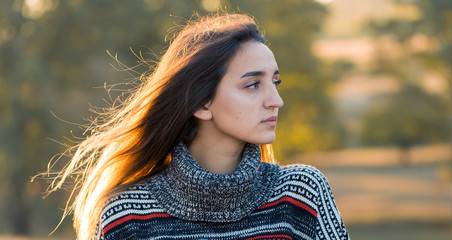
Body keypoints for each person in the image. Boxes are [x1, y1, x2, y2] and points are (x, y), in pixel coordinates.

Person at [48, 14, 349, 240]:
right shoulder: (128, 216)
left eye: (275, 82)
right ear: (202, 104)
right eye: (253, 84)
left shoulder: (301, 195)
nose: (276, 100)